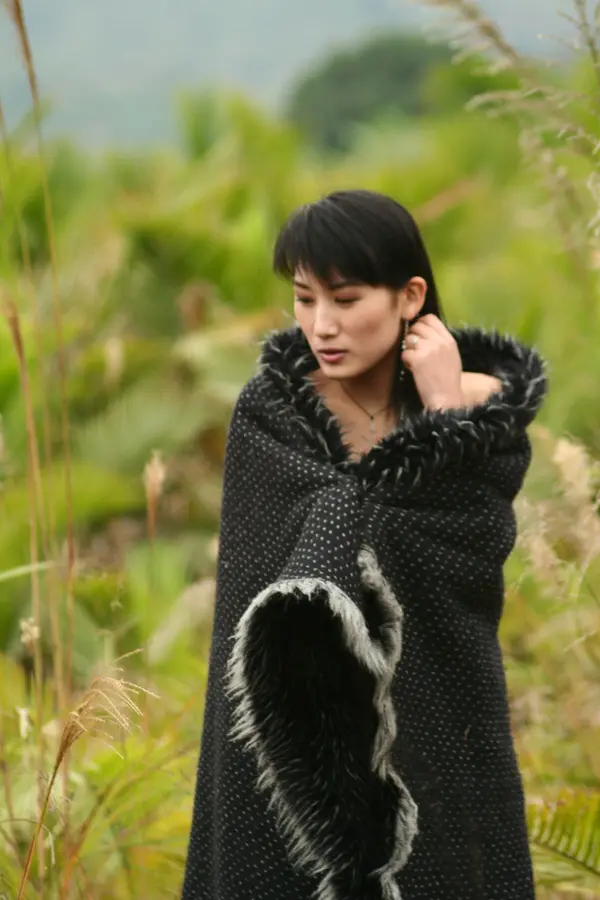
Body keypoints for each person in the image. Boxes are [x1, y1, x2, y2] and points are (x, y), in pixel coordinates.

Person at [181, 189, 547, 900]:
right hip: (291, 735)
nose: (322, 325)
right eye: (304, 299)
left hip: (440, 715)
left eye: (346, 299)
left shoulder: (481, 408)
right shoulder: (271, 414)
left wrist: (443, 415)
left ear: (410, 297)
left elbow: (471, 550)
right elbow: (255, 588)